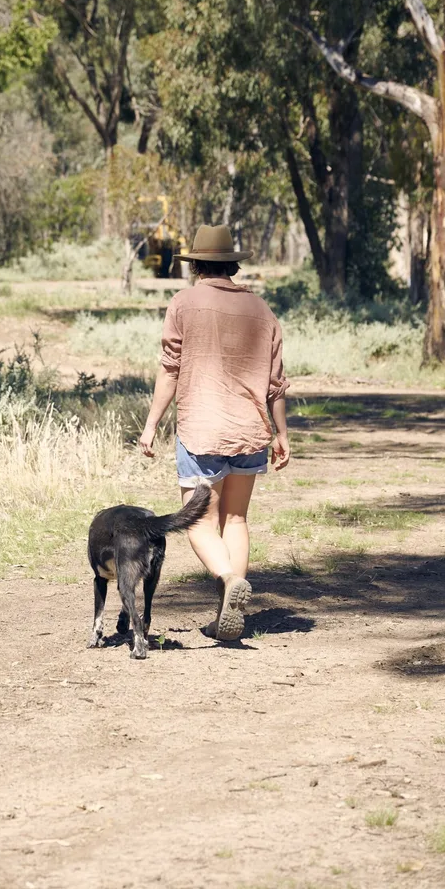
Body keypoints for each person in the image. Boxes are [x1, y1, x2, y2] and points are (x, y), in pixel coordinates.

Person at [138, 223, 290, 641]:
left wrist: (151, 424)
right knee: (236, 518)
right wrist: (282, 434)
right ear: (231, 266)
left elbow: (170, 369)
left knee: (199, 523)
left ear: (197, 265)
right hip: (250, 430)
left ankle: (227, 580)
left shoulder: (184, 304)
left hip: (201, 429)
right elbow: (276, 383)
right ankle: (229, 612)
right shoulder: (262, 310)